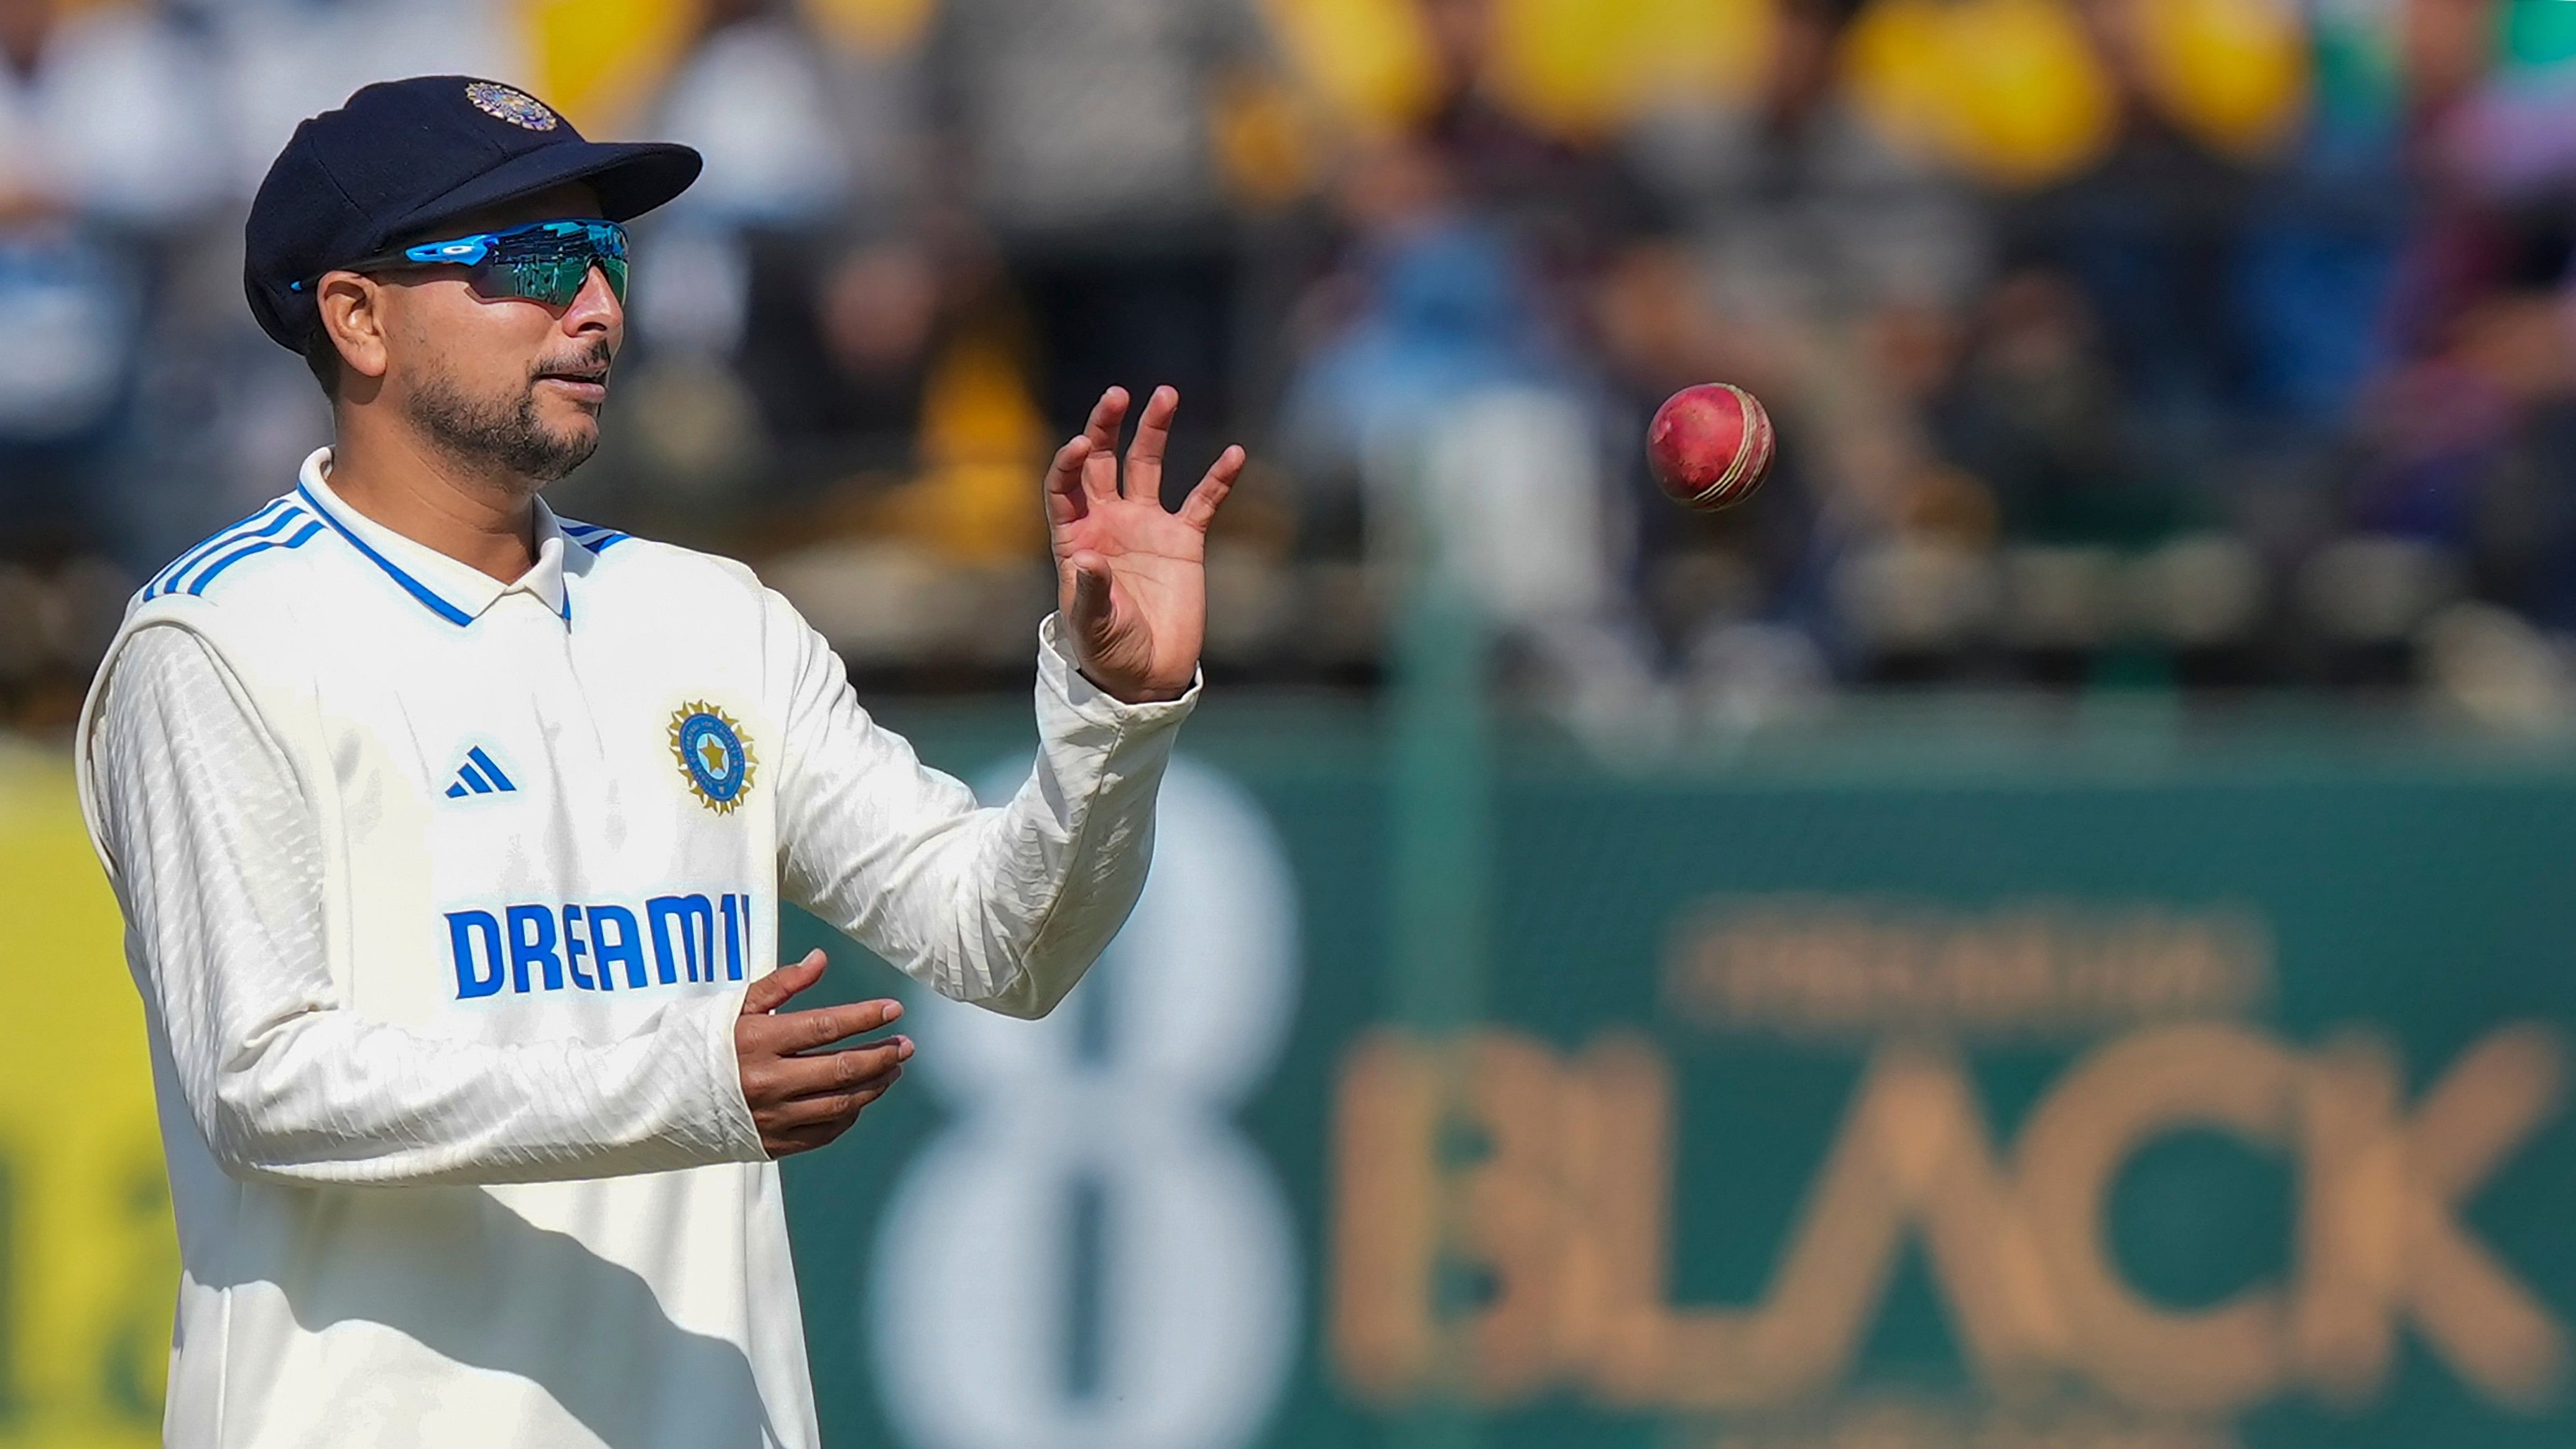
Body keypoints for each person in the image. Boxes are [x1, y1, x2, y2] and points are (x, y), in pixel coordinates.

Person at [72, 75, 1242, 1448]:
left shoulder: (709, 617)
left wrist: (1111, 714)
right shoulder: (221, 638)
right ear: (356, 318)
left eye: (606, 255)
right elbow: (260, 1084)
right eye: (529, 259)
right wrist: (687, 1082)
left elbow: (1007, 942)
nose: (597, 307)